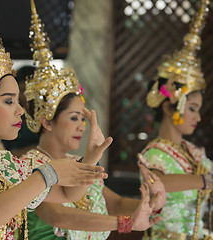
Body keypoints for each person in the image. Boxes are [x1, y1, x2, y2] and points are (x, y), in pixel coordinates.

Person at [0, 0, 112, 239]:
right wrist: (46, 175)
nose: (20, 111)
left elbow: (68, 195)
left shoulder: (6, 163)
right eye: (8, 101)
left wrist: (93, 155)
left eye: (18, 101)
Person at [20, 1, 165, 239]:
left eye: (83, 118)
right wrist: (126, 224)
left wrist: (152, 204)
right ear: (47, 122)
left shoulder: (76, 162)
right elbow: (60, 217)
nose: (82, 125)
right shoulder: (31, 165)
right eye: (74, 117)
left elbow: (116, 203)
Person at [138, 1, 213, 239]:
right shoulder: (154, 154)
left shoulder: (193, 151)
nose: (197, 117)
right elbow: (159, 183)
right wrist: (203, 180)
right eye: (192, 108)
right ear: (171, 107)